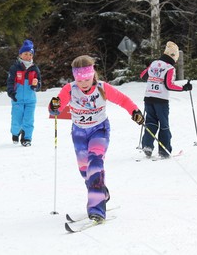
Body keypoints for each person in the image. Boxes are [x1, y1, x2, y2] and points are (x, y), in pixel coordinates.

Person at [48, 55, 144, 223]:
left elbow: (123, 100)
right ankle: (101, 192)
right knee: (85, 171)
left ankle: (97, 208)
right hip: (78, 132)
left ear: (93, 74)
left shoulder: (102, 88)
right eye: (79, 79)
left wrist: (134, 112)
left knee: (95, 164)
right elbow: (56, 107)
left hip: (99, 130)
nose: (83, 83)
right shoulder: (70, 89)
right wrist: (54, 106)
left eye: (86, 78)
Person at [140, 41, 192, 158]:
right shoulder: (169, 68)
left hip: (148, 98)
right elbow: (169, 85)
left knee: (151, 122)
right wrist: (184, 88)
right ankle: (164, 150)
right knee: (164, 125)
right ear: (173, 57)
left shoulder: (154, 63)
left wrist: (153, 77)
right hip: (161, 100)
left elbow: (143, 75)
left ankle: (147, 145)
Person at [7, 39, 41, 146]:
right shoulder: (15, 68)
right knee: (16, 121)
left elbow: (39, 86)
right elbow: (10, 82)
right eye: (26, 54)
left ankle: (27, 138)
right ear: (20, 55)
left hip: (30, 100)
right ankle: (15, 133)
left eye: (30, 54)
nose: (28, 56)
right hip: (17, 100)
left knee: (28, 120)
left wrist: (36, 85)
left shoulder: (35, 69)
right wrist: (11, 93)